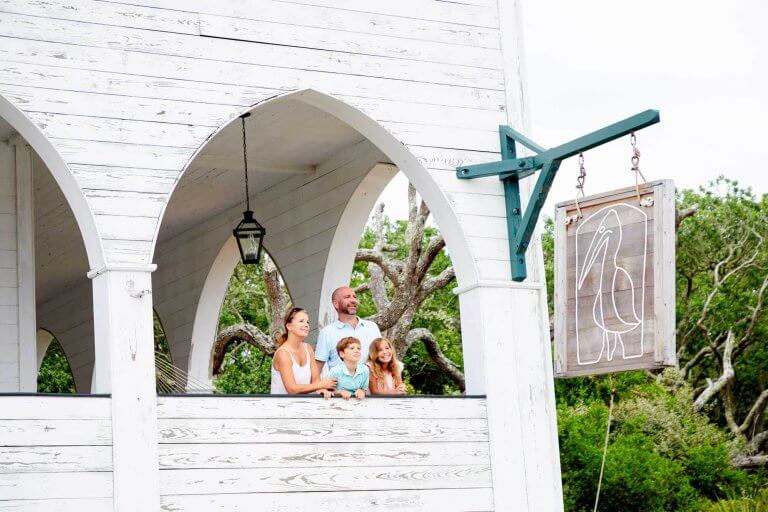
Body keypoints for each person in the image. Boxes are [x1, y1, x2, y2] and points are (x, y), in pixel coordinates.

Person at [271, 307, 336, 398]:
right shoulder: (283, 353)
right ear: (289, 326)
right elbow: (292, 389)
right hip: (281, 408)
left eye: (307, 322)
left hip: (302, 407)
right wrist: (322, 385)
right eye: (301, 321)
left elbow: (316, 381)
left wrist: (323, 390)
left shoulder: (308, 348)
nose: (306, 325)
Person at [315, 286, 381, 374]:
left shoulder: (372, 327)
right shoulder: (327, 333)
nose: (353, 300)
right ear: (336, 304)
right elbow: (317, 368)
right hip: (341, 387)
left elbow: (383, 359)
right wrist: (319, 387)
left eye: (354, 297)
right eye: (347, 297)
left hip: (373, 386)